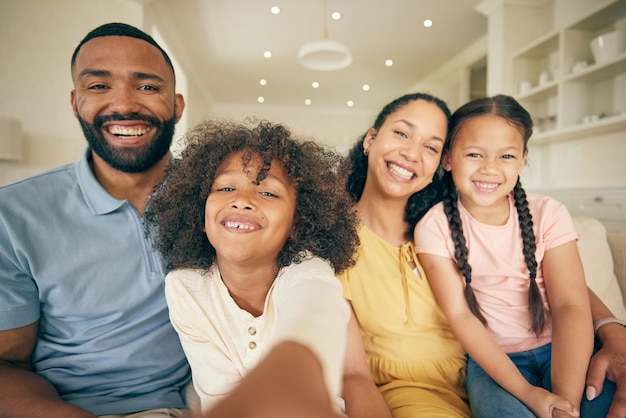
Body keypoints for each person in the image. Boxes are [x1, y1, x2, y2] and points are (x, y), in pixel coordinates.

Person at [0, 21, 387, 418]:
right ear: (74, 100)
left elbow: (312, 333)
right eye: (98, 85)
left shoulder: (211, 192)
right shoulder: (14, 215)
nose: (124, 104)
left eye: (147, 86)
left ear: (177, 104)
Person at [145, 118, 391, 418]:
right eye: (225, 187)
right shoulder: (185, 288)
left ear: (297, 222)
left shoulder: (310, 274)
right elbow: (220, 393)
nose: (242, 201)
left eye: (269, 193)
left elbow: (307, 342)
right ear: (199, 213)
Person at [414, 94, 616, 418]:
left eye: (506, 155)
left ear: (522, 160)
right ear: (448, 158)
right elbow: (461, 316)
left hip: (564, 349)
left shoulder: (549, 213)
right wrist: (528, 394)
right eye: (474, 153)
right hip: (495, 363)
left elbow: (570, 304)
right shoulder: (434, 228)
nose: (489, 168)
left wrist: (566, 403)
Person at [338, 92, 471, 418]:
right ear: (371, 139)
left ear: (440, 165)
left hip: (491, 381)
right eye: (401, 132)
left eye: (430, 146)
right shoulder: (333, 242)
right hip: (408, 395)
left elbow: (542, 271)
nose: (412, 153)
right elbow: (351, 375)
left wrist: (612, 331)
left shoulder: (450, 226)